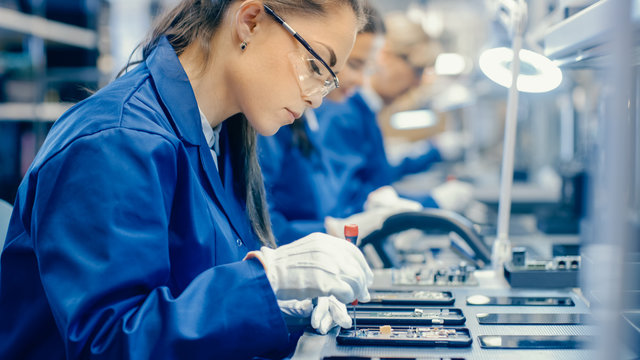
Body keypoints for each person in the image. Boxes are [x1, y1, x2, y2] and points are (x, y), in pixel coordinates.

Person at [0, 0, 374, 359]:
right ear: (251, 21)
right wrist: (263, 281)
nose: (317, 99)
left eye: (327, 80)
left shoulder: (219, 137)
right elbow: (111, 343)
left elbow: (192, 293)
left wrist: (278, 309)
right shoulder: (116, 141)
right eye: (315, 65)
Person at [258, 2, 385, 245]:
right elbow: (258, 224)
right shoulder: (270, 120)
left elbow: (332, 197)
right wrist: (332, 232)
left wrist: (366, 211)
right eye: (355, 64)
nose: (360, 80)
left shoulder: (308, 116)